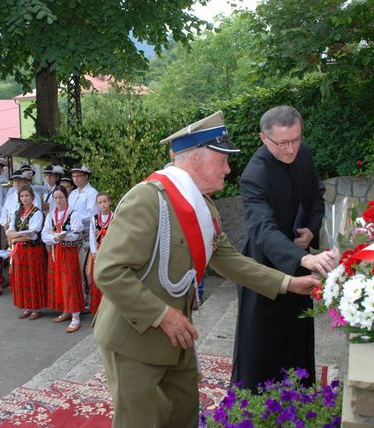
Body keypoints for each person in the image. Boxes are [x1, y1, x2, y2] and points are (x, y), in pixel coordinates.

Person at [93, 111, 321, 427]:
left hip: (177, 335)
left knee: (183, 415)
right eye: (222, 161)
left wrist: (288, 283)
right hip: (136, 338)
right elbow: (109, 271)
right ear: (197, 160)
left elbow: (230, 260)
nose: (228, 169)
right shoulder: (147, 200)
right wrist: (163, 315)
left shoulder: (203, 206)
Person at [231, 106, 337, 390]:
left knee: (297, 338)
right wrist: (301, 257)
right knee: (261, 346)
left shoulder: (303, 153)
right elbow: (262, 230)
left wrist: (311, 231)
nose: (291, 150)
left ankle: (299, 397)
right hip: (264, 267)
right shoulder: (254, 174)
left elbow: (316, 196)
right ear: (264, 139)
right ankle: (255, 405)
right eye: (283, 143)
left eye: (296, 139)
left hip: (300, 262)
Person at [41, 185, 85, 332]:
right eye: (56, 198)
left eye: (61, 197)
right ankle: (66, 310)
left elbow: (77, 232)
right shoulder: (51, 214)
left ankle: (75, 316)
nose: (58, 200)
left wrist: (64, 235)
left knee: (69, 282)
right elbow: (44, 234)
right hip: (55, 251)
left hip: (68, 252)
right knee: (59, 281)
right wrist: (55, 237)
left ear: (66, 198)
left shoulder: (73, 213)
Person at [7, 184, 47, 314]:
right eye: (22, 196)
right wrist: (20, 235)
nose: (24, 198)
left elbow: (33, 235)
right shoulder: (18, 213)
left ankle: (36, 308)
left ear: (32, 196)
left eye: (27, 196)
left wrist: (16, 238)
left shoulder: (37, 213)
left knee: (33, 278)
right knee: (23, 278)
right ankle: (27, 306)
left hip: (33, 251)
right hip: (20, 251)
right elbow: (10, 231)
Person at [68, 164, 98, 306]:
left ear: (86, 177)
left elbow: (91, 216)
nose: (76, 179)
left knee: (86, 267)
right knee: (75, 267)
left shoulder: (92, 193)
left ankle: (90, 297)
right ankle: (82, 296)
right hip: (73, 234)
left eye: (79, 176)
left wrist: (75, 222)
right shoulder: (73, 194)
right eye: (74, 176)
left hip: (86, 235)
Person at [87, 192, 113, 315]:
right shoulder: (94, 219)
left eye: (105, 201)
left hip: (109, 253)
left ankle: (110, 310)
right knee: (97, 280)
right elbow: (92, 236)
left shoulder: (115, 217)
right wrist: (94, 252)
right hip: (97, 254)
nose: (103, 204)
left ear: (110, 202)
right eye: (100, 202)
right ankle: (98, 309)